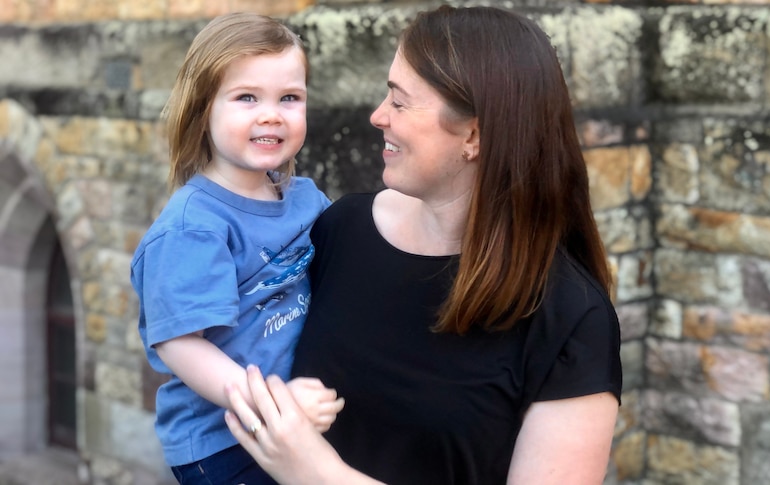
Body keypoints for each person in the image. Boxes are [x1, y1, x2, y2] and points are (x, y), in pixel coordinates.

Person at [224, 5, 622, 485]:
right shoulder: (341, 229)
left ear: (473, 133)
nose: (377, 116)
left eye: (399, 100)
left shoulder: (570, 317)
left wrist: (316, 473)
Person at [130, 12, 344, 485]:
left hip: (297, 420)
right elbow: (182, 346)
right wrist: (274, 404)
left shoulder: (307, 199)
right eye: (247, 97)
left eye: (289, 98)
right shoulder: (194, 227)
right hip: (225, 441)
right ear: (203, 108)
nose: (271, 114)